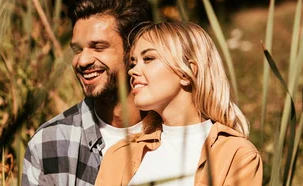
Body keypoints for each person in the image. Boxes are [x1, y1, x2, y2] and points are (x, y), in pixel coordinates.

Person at [95, 22, 263, 186]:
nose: (133, 71)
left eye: (148, 58)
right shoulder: (119, 155)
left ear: (186, 73)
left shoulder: (236, 155)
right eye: (133, 63)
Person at [21, 0, 152, 185]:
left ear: (133, 50)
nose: (82, 61)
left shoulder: (177, 134)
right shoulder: (49, 142)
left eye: (98, 47)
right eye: (77, 49)